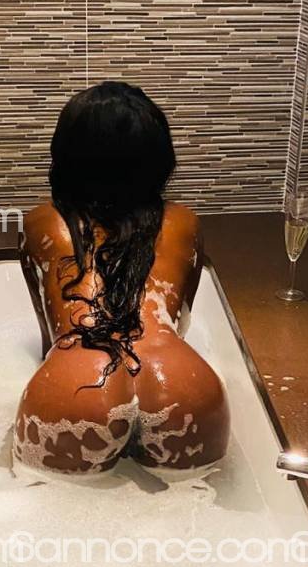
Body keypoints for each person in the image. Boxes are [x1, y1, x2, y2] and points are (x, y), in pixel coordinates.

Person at [14, 82, 230, 478]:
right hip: (183, 383)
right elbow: (178, 321)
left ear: (66, 156)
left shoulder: (40, 222)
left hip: (76, 384)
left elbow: (50, 334)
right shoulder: (185, 222)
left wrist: (60, 367)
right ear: (160, 158)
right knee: (193, 505)